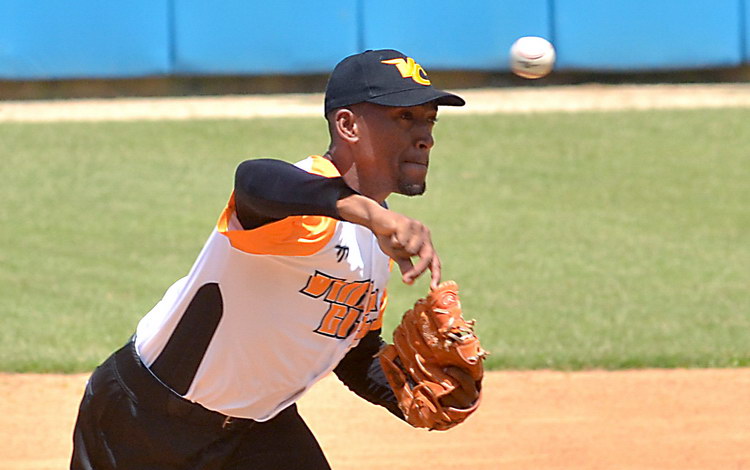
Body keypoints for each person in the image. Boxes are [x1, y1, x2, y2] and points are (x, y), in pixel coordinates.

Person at [71, 49, 468, 470]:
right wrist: (371, 213)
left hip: (258, 430)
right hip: (146, 423)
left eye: (429, 119)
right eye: (404, 117)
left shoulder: (376, 244)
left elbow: (354, 353)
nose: (425, 136)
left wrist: (412, 395)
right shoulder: (301, 202)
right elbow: (254, 180)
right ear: (347, 124)